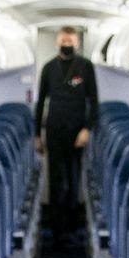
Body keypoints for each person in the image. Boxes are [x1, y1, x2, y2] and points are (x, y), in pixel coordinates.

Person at [35, 26, 98, 242]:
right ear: (57, 42)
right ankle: (56, 230)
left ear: (77, 43)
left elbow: (94, 101)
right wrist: (37, 135)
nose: (67, 44)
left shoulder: (85, 67)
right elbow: (40, 102)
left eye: (70, 41)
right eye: (64, 41)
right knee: (56, 180)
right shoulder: (48, 68)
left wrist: (87, 129)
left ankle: (72, 227)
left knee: (73, 179)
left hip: (76, 131)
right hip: (54, 130)